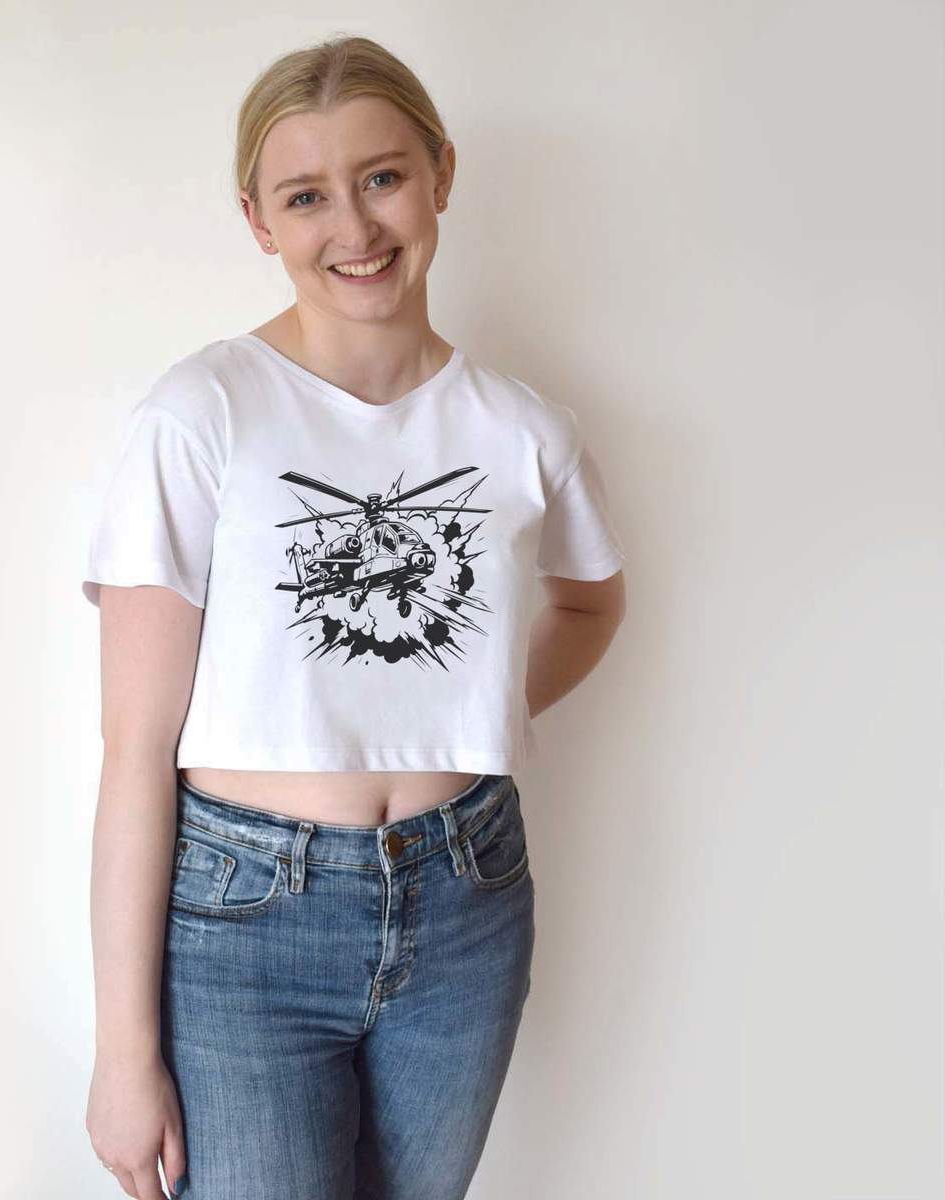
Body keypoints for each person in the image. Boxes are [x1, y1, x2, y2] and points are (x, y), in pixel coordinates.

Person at [81, 34, 628, 1200]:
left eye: (382, 177)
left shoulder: (523, 429)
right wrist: (122, 1054)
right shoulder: (202, 414)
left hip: (470, 898)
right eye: (306, 196)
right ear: (257, 220)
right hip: (245, 918)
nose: (355, 227)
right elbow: (134, 750)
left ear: (440, 173)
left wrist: (463, 702)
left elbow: (591, 601)